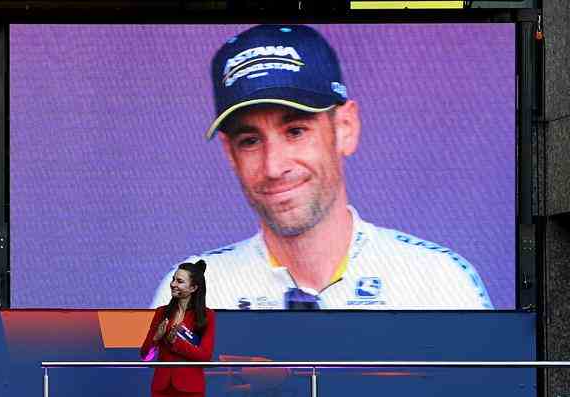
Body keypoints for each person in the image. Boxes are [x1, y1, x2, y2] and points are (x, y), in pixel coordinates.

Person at [151, 24, 492, 310]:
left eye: (295, 131)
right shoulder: (191, 293)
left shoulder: (437, 283)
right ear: (230, 153)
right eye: (250, 140)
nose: (273, 166)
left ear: (345, 128)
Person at [139, 260, 215, 397]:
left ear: (193, 288)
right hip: (162, 388)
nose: (173, 284)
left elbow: (204, 356)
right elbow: (145, 355)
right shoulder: (162, 313)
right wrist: (156, 338)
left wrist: (176, 343)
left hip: (191, 388)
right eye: (173, 279)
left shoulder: (206, 316)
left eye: (180, 281)